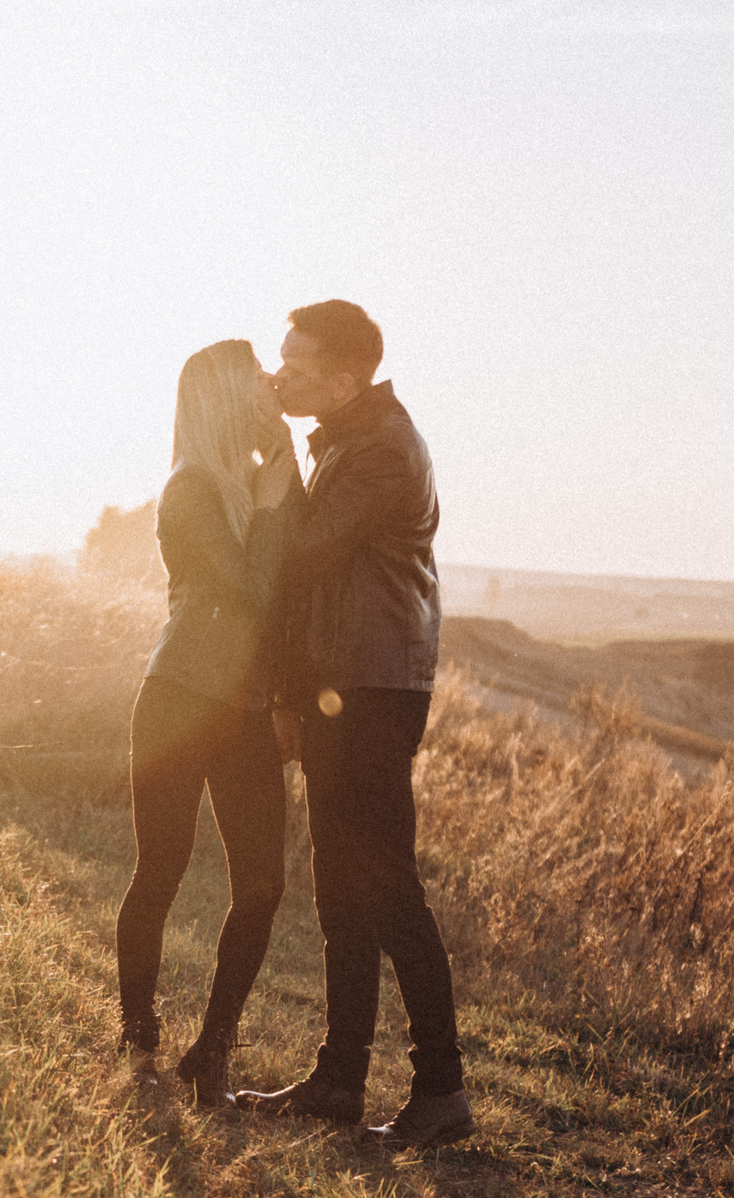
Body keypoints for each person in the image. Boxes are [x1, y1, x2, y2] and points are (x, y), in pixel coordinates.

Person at [230, 299, 472, 1148]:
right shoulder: (348, 436)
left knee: (388, 885)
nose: (276, 377)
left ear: (341, 382)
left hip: (374, 688)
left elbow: (303, 553)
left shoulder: (380, 448)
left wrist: (272, 451)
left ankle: (441, 1089)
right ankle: (339, 1079)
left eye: (293, 366)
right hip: (346, 683)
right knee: (342, 888)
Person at [116, 338, 304, 1106]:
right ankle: (137, 1037)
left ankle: (212, 1053)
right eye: (256, 376)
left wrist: (283, 463)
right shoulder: (188, 490)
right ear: (225, 396)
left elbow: (298, 580)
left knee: (263, 886)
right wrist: (271, 502)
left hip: (247, 709)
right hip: (179, 699)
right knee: (161, 869)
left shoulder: (263, 482)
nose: (271, 383)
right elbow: (253, 596)